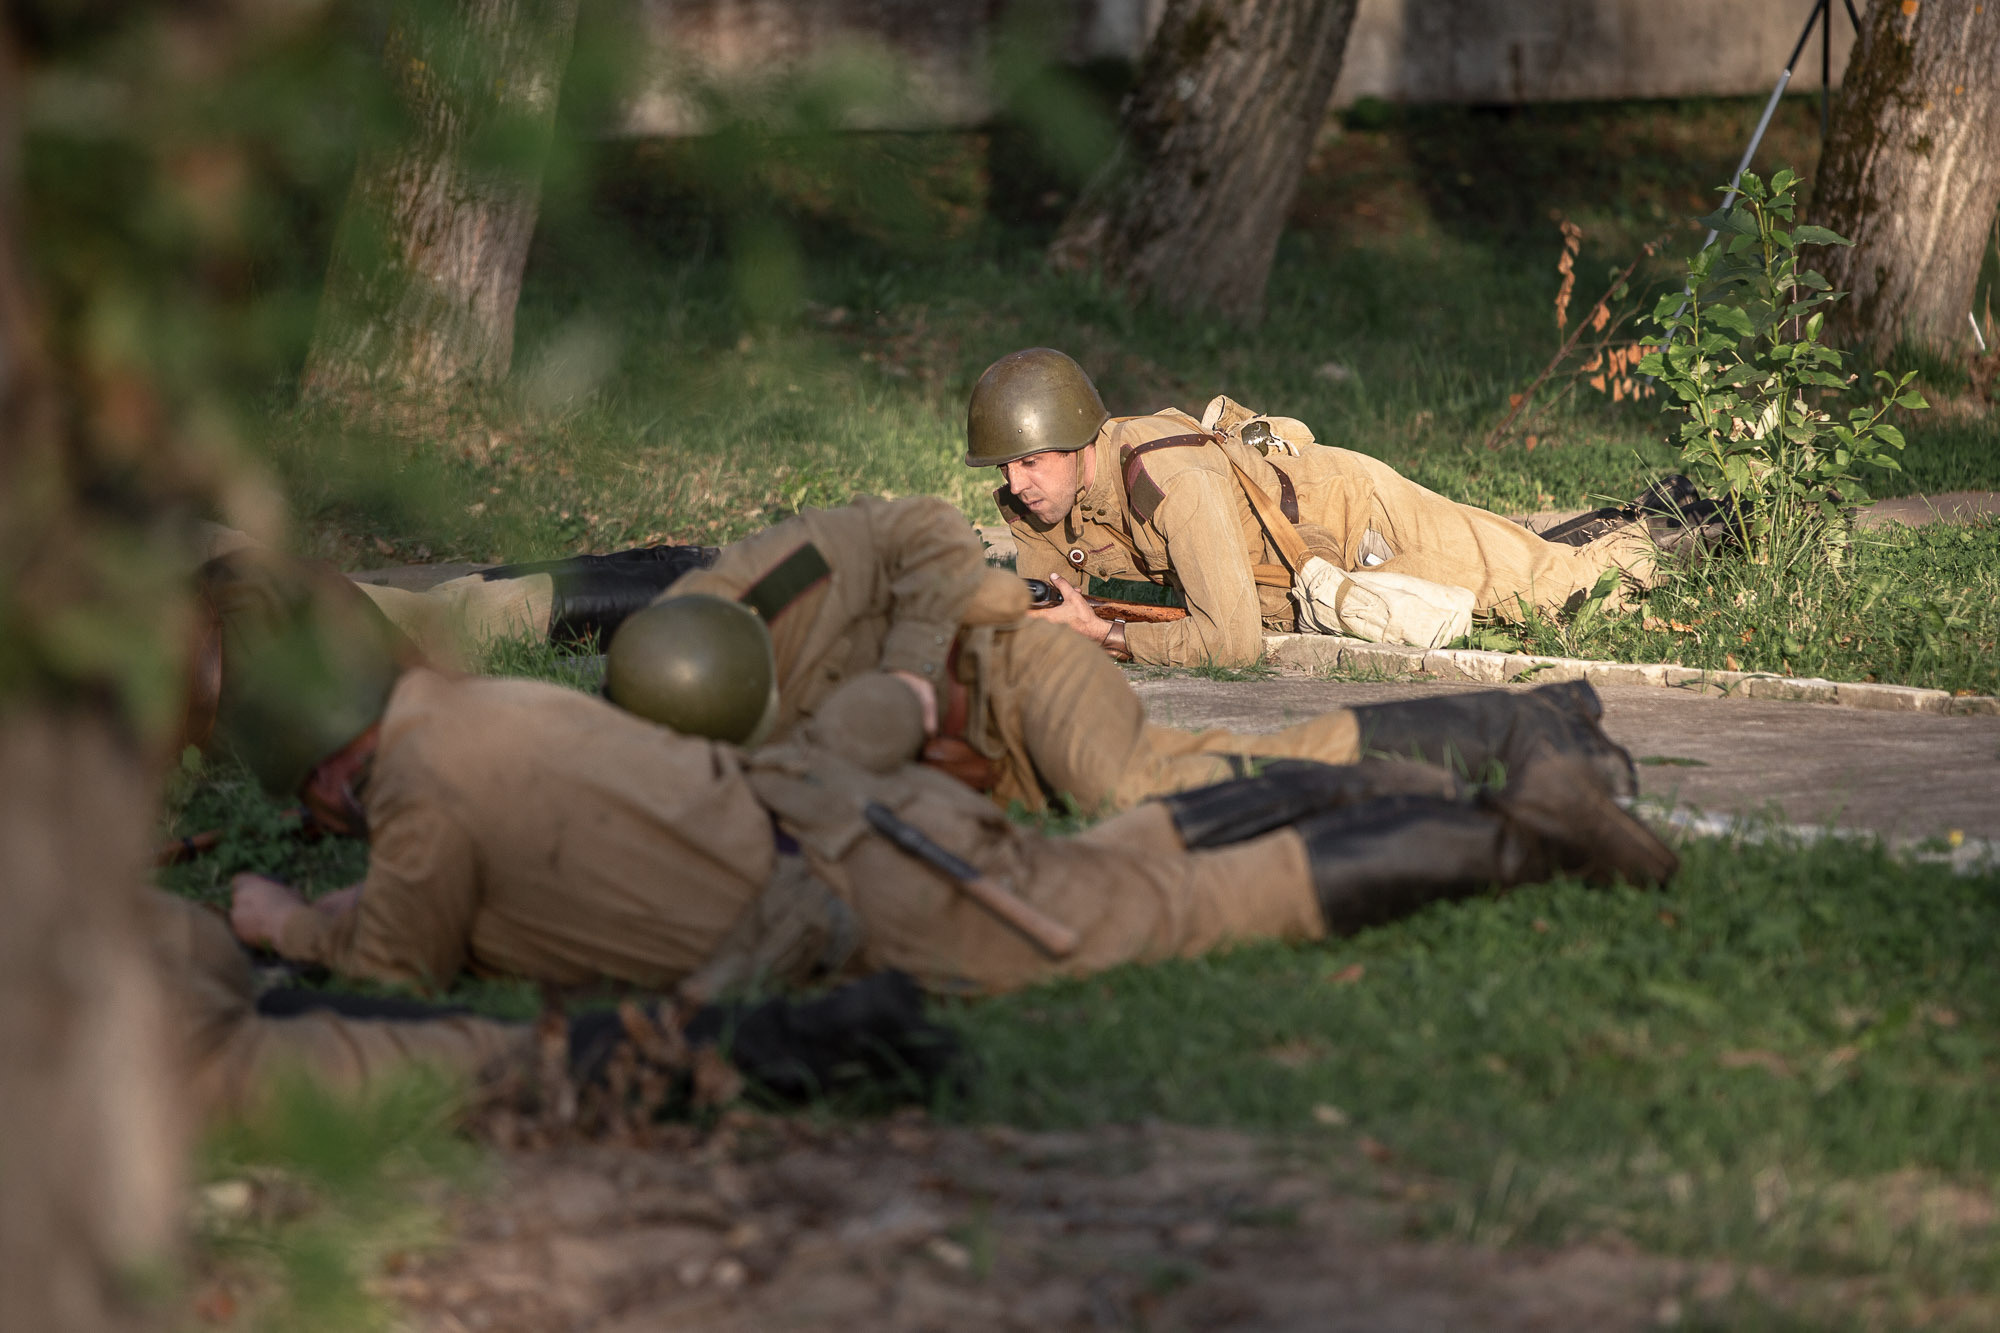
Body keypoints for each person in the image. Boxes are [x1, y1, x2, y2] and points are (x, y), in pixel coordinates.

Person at [215, 564, 1676, 1002]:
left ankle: (1523, 837)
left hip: (881, 900)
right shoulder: (508, 706)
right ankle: (1489, 757)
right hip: (875, 822)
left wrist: (292, 924)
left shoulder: (418, 801)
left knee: (1188, 904)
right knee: (1131, 843)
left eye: (323, 804)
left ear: (330, 765)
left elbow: (396, 971)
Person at [623, 496, 1639, 814]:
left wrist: (903, 674)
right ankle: (1495, 733)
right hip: (969, 762)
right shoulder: (678, 703)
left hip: (1014, 677)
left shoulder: (788, 567)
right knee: (1181, 764)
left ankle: (1486, 740)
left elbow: (926, 537)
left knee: (1130, 786)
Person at [962, 348, 1713, 668]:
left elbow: (1231, 644)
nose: (1020, 484)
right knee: (1506, 564)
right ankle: (1611, 520)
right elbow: (1065, 605)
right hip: (1310, 568)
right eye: (1008, 468)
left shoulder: (1166, 479)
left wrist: (1105, 635)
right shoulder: (1035, 507)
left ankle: (1699, 531)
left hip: (1354, 519)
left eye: (1032, 461)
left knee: (1564, 594)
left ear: (1078, 443)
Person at [154, 890, 958, 1127]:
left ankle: (814, 1041)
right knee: (475, 1053)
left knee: (488, 1067)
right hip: (154, 949)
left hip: (144, 1023)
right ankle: (808, 1037)